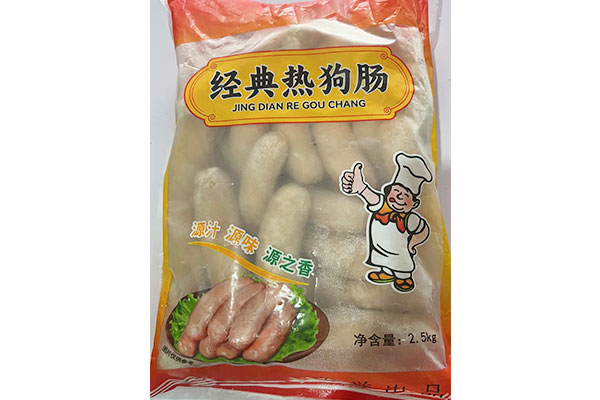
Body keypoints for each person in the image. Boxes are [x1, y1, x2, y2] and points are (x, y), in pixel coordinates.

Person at [340, 152, 433, 293]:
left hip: (399, 250)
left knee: (401, 264)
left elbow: (423, 230)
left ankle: (403, 278)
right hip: (380, 247)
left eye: (406, 195)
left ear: (414, 204)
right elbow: (371, 197)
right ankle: (386, 273)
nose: (399, 198)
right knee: (382, 258)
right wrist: (360, 188)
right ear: (388, 193)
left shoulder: (410, 219)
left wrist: (412, 243)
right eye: (396, 192)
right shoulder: (382, 206)